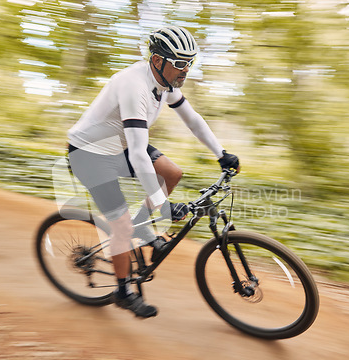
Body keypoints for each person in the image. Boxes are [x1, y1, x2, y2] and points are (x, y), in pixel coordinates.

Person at [67, 26, 240, 318]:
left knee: (171, 173)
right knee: (120, 225)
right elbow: (137, 153)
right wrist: (162, 204)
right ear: (158, 61)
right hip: (90, 154)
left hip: (118, 144)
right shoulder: (133, 86)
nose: (186, 70)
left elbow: (193, 120)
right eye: (181, 63)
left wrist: (220, 153)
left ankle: (143, 228)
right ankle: (123, 291)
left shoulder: (165, 84)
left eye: (191, 63)